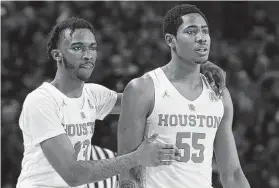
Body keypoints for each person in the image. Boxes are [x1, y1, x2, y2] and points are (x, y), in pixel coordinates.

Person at [16, 16, 224, 188]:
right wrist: (137, 157)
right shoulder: (41, 101)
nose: (88, 55)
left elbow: (148, 100)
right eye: (77, 48)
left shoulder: (92, 95)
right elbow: (73, 175)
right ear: (57, 55)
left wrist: (194, 69)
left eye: (92, 47)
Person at [118, 4, 251, 188]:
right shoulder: (143, 89)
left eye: (205, 31)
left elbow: (233, 174)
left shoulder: (219, 94)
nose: (202, 38)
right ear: (170, 40)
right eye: (191, 31)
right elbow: (127, 170)